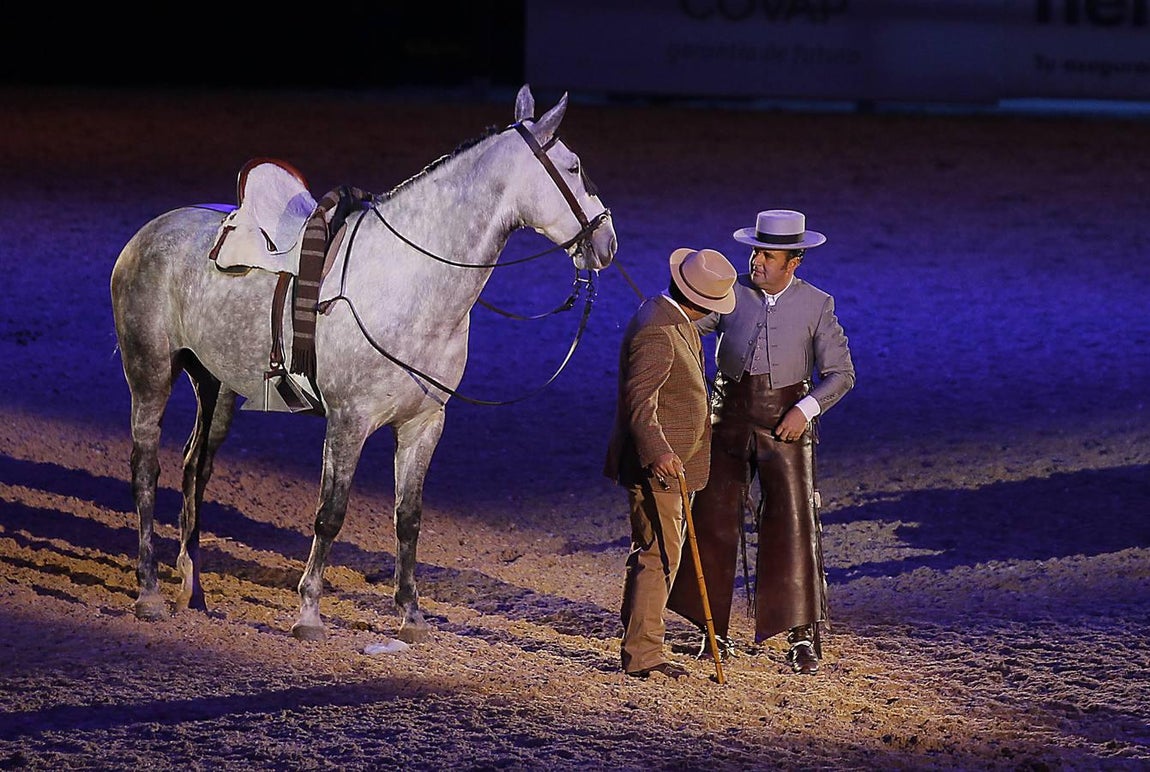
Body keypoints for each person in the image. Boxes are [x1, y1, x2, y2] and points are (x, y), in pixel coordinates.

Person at [666, 209, 855, 675]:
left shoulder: (816, 305)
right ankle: (712, 630)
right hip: (726, 417)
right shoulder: (731, 297)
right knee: (712, 519)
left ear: (793, 262)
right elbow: (691, 322)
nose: (756, 262)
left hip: (784, 424)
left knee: (793, 524)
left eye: (767, 255)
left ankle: (802, 634)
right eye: (756, 252)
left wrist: (804, 409)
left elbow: (841, 375)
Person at [605, 247, 738, 680]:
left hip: (676, 462)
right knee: (660, 555)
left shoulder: (666, 315)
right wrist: (660, 452)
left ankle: (641, 646)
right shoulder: (658, 330)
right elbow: (640, 402)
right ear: (699, 302)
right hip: (662, 466)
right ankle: (644, 655)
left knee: (655, 552)